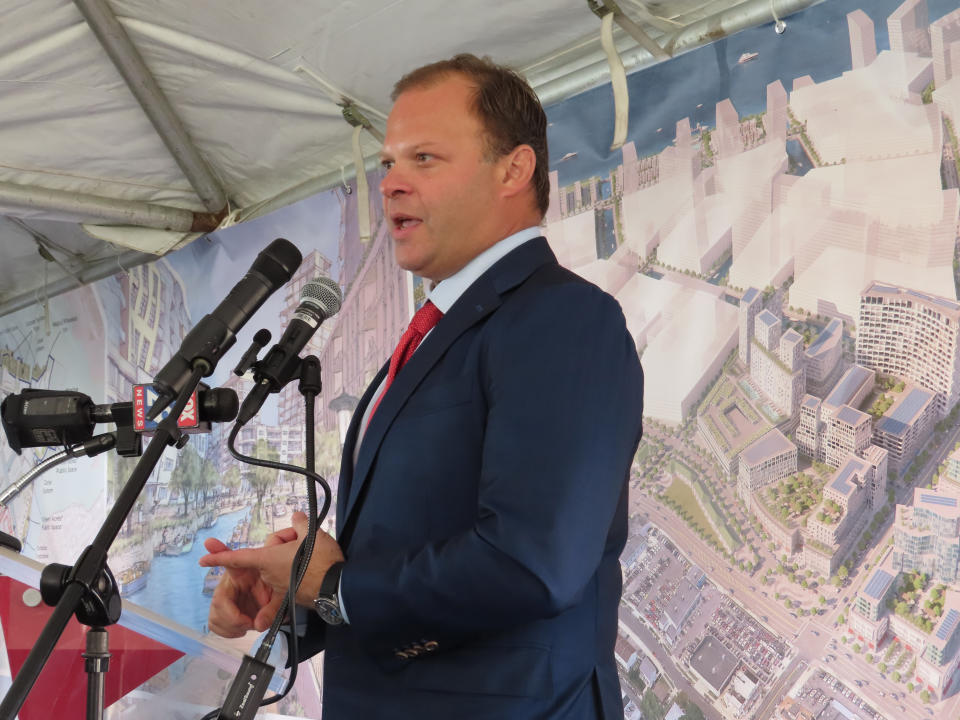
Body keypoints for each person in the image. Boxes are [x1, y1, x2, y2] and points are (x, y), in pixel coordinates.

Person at [200, 53, 644, 719]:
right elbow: (405, 546)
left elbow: (532, 563)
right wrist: (296, 597)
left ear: (514, 170)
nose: (391, 184)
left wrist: (339, 586)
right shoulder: (438, 329)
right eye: (387, 164)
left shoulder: (563, 317)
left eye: (424, 159)